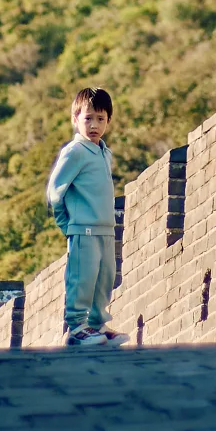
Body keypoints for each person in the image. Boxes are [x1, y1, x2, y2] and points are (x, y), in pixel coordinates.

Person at [46, 87, 126, 348]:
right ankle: (77, 327)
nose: (94, 125)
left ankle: (97, 324)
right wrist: (67, 225)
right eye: (88, 118)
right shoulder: (75, 151)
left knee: (104, 278)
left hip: (105, 228)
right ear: (75, 119)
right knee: (83, 278)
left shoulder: (104, 152)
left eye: (100, 119)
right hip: (83, 230)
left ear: (108, 121)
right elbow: (55, 192)